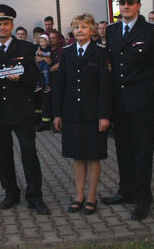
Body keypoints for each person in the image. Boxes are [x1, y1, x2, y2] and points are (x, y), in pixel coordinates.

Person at [0, 4, 50, 215]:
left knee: (29, 152)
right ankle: (10, 192)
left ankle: (35, 196)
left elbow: (36, 77)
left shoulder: (27, 48)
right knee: (3, 154)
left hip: (22, 110)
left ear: (12, 25)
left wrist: (21, 78)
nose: (2, 27)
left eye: (6, 23)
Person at [102, 0, 154, 221]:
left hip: (142, 102)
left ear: (139, 6)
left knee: (142, 152)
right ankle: (125, 191)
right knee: (123, 150)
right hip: (120, 102)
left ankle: (142, 198)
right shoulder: (112, 31)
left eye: (130, 3)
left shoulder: (151, 32)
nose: (125, 7)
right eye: (122, 3)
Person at [53, 13, 111, 215]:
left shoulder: (100, 52)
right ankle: (79, 195)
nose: (80, 30)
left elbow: (104, 86)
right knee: (77, 156)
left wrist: (104, 115)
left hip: (93, 113)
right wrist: (57, 113)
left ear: (92, 30)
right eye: (76, 27)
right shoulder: (66, 52)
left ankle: (92, 196)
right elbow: (60, 84)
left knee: (93, 156)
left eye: (84, 27)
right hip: (71, 113)